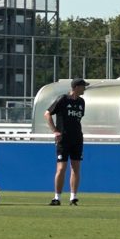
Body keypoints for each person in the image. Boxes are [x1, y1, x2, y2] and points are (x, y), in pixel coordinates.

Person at [45, 78, 89, 206]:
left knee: (76, 168)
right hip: (63, 139)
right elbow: (47, 114)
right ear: (76, 87)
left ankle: (73, 197)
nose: (84, 88)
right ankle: (57, 198)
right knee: (61, 168)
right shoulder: (63, 99)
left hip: (77, 139)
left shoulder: (81, 102)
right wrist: (55, 131)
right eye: (83, 86)